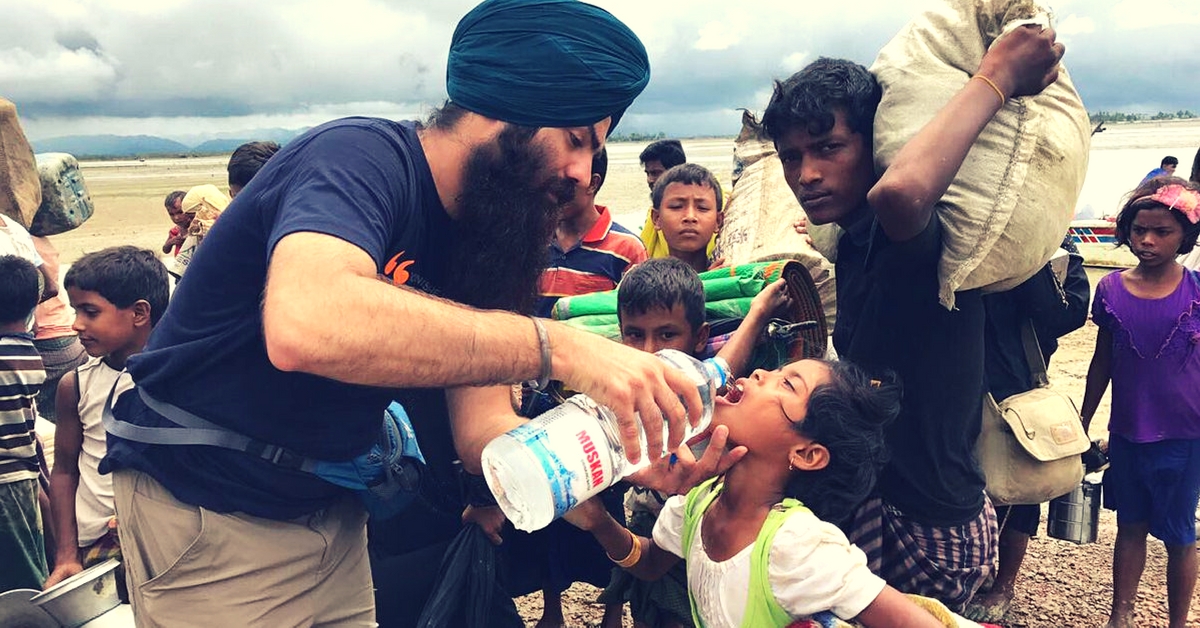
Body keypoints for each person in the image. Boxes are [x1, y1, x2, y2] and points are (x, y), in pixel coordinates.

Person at [99, 2, 711, 625]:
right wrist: (560, 345)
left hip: (332, 507)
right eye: (576, 140)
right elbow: (307, 322)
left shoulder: (492, 236)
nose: (583, 174)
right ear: (501, 110)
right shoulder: (359, 158)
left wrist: (601, 452)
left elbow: (482, 432)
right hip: (209, 506)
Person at [762, 25, 1064, 611]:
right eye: (791, 157)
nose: (806, 175)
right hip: (883, 499)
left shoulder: (915, 240)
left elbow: (900, 193)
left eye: (829, 148)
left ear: (875, 145)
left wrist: (997, 78)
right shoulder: (850, 243)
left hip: (929, 516)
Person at [569, 358, 965, 628]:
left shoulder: (797, 546)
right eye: (774, 371)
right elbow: (652, 563)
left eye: (787, 383)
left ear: (808, 454)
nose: (759, 373)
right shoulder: (698, 500)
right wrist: (597, 522)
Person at [599, 257, 792, 628]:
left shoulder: (701, 392)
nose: (649, 351)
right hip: (648, 522)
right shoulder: (620, 391)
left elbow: (722, 370)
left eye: (667, 335)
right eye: (634, 334)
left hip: (700, 542)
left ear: (699, 338)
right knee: (648, 610)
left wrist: (757, 315)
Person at [1080, 177, 1200, 628]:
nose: (1147, 240)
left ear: (1185, 237)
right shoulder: (1110, 289)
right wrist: (1084, 420)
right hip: (1128, 430)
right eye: (1138, 231)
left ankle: (1177, 621)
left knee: (1179, 533)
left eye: (1162, 232)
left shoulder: (1196, 290)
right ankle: (1120, 613)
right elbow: (1102, 360)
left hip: (1186, 433)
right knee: (1129, 526)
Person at [963, 235, 1090, 623]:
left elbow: (1064, 316)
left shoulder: (1055, 246)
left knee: (1021, 485)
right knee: (964, 483)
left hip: (1015, 382)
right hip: (958, 381)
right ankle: (970, 573)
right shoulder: (970, 230)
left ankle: (1004, 584)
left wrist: (1033, 256)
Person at [43, 247, 169, 589]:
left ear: (139, 313)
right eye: (75, 311)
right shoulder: (77, 384)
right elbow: (65, 470)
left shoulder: (175, 381)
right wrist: (66, 554)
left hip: (162, 543)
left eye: (90, 312)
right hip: (95, 546)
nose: (76, 324)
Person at [535, 148, 647, 318]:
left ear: (593, 183)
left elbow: (639, 317)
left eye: (565, 184)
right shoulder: (532, 240)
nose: (554, 194)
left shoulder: (627, 249)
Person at [0, 254, 49, 591]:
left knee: (23, 579)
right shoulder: (25, 353)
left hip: (8, 482)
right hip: (21, 480)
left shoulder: (4, 356)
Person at [31, 236, 88, 425]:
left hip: (44, 341)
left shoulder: (11, 238)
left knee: (41, 420)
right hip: (68, 338)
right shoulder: (40, 241)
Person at [650, 164, 725, 273]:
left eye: (702, 208)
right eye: (676, 206)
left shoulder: (729, 277)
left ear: (718, 221)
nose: (690, 217)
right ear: (657, 218)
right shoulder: (644, 282)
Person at [160, 190, 189, 256]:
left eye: (180, 212)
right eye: (171, 214)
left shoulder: (199, 228)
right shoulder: (175, 231)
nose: (176, 218)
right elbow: (165, 250)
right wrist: (171, 242)